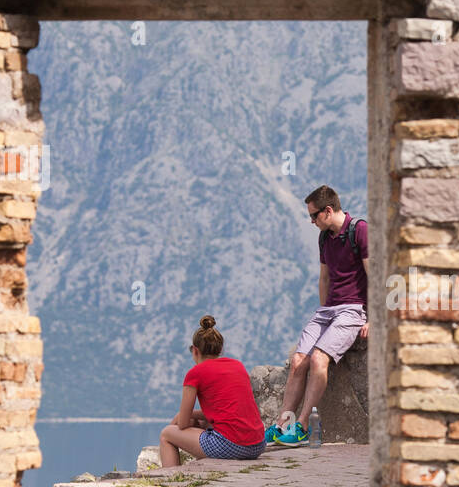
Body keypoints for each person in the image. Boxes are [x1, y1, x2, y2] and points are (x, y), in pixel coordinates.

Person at [264, 185, 368, 445]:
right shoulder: (324, 238)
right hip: (328, 311)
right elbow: (325, 278)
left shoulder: (360, 231)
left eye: (313, 216)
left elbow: (375, 274)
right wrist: (324, 311)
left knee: (319, 359)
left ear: (328, 210)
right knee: (299, 360)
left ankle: (301, 426)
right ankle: (282, 424)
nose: (311, 221)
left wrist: (373, 319)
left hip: (353, 309)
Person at [158, 315, 265, 467]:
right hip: (258, 445)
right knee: (199, 421)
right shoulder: (238, 365)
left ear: (195, 351)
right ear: (220, 349)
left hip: (231, 446)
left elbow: (181, 424)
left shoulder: (195, 373)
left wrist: (180, 416)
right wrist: (195, 416)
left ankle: (170, 479)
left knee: (166, 434)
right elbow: (230, 410)